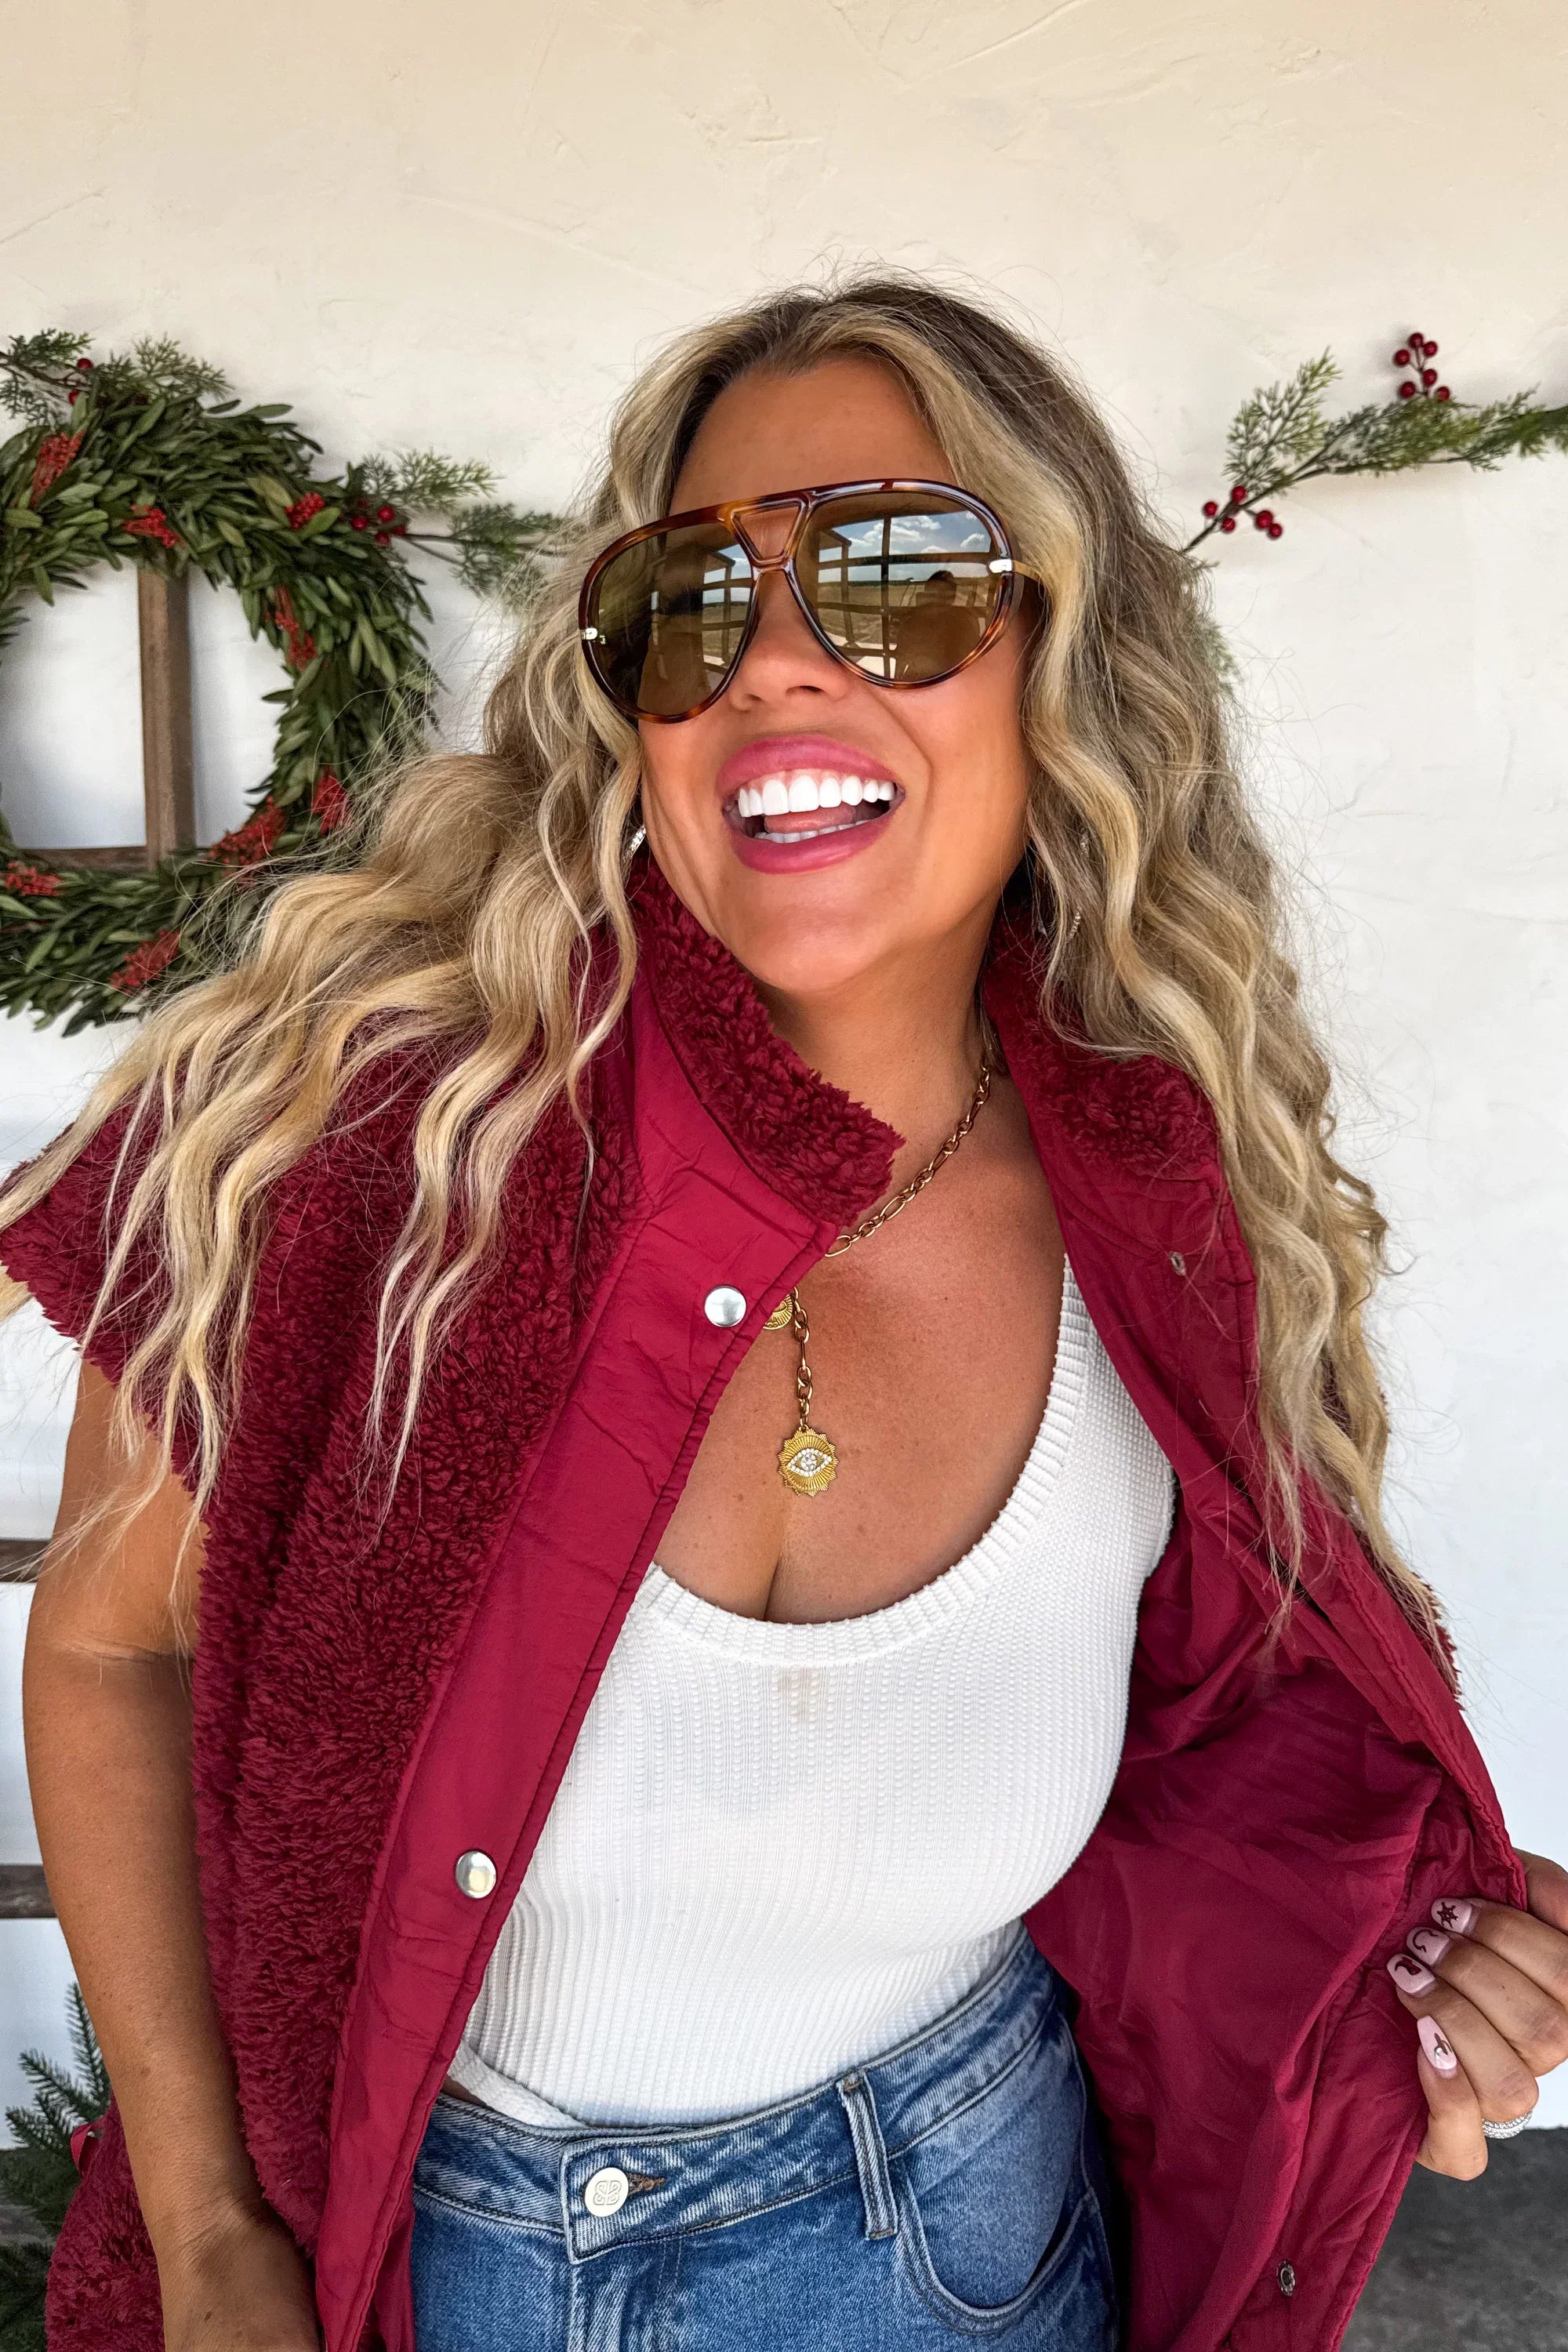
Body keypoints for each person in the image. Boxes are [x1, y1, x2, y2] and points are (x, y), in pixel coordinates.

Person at [2, 275, 1564, 2352]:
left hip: (973, 2244)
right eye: (690, 605)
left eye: (900, 574)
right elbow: (111, 1648)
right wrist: (207, 2234)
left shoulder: (1167, 1202)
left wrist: (1415, 1952)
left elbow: (1237, 1736)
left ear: (1067, 656)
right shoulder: (345, 1134)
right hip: (415, 2261)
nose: (775, 663)